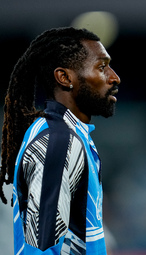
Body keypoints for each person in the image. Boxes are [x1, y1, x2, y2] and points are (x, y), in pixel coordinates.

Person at [0, 27, 120, 254]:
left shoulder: (66, 134)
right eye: (101, 67)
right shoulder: (58, 142)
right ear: (64, 78)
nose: (114, 77)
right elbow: (40, 249)